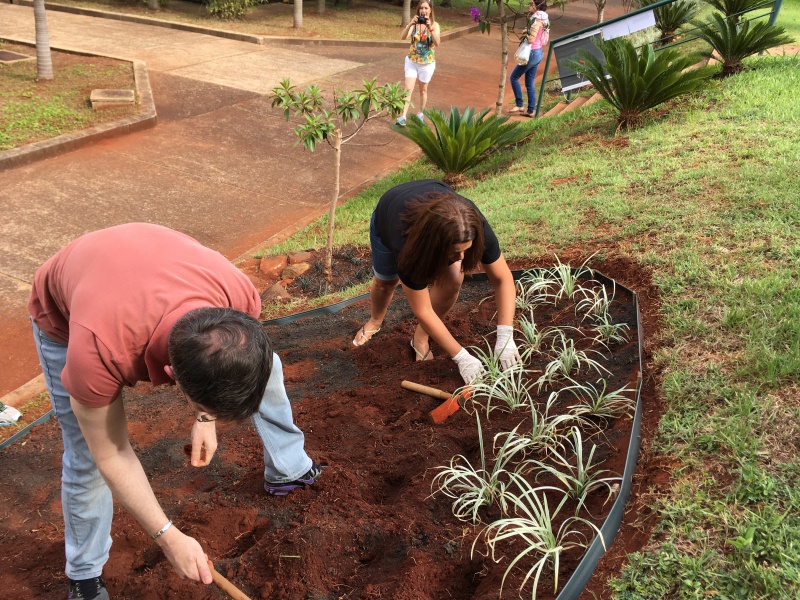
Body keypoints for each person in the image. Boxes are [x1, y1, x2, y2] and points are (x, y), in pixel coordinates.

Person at [28, 223, 321, 600]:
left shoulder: (241, 298)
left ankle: (289, 468)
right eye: (199, 404)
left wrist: (205, 415)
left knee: (267, 366)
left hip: (150, 263)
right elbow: (112, 452)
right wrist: (168, 537)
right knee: (85, 454)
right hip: (68, 312)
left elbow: (235, 363)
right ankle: (84, 575)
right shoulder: (97, 351)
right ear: (174, 380)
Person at [352, 179, 520, 385]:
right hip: (389, 215)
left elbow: (503, 280)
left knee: (453, 279)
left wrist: (505, 336)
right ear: (435, 246)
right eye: (454, 252)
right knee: (386, 283)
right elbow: (422, 309)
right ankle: (375, 321)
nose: (461, 257)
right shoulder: (406, 245)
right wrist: (461, 357)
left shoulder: (473, 226)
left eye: (466, 250)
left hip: (435, 198)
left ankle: (420, 338)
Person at [396, 0, 441, 127]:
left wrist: (429, 28)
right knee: (408, 89)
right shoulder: (414, 25)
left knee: (423, 90)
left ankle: (421, 113)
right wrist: (410, 23)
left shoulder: (435, 25)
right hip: (412, 61)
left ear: (430, 10)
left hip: (426, 64)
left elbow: (437, 43)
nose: (423, 10)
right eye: (421, 8)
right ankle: (403, 116)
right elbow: (403, 37)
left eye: (426, 8)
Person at [509, 0, 549, 118]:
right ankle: (531, 110)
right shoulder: (543, 19)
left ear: (537, 6)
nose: (529, 6)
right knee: (529, 83)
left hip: (532, 53)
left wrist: (525, 33)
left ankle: (520, 104)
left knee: (513, 77)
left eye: (531, 4)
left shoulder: (537, 21)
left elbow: (531, 39)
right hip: (538, 53)